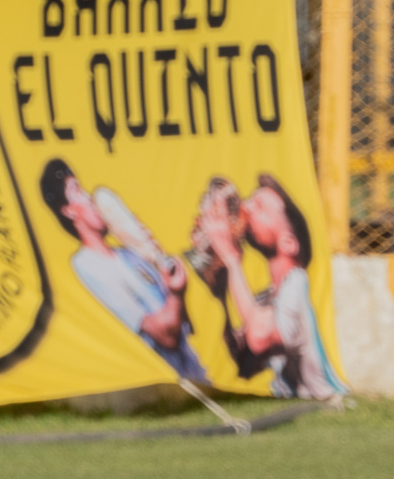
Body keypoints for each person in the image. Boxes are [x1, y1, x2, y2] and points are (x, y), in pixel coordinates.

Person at [38, 159, 206, 384]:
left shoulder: (129, 255)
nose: (91, 199)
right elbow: (165, 336)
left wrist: (155, 257)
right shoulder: (87, 265)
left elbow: (181, 324)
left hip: (194, 373)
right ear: (68, 210)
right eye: (78, 191)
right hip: (160, 387)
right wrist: (176, 294)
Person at [193, 174, 346, 400]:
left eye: (260, 206)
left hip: (318, 402)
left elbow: (259, 340)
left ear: (288, 242)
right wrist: (218, 280)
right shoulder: (269, 295)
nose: (246, 206)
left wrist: (231, 258)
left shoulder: (297, 282)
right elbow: (243, 363)